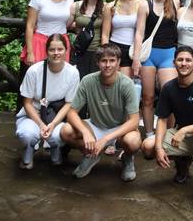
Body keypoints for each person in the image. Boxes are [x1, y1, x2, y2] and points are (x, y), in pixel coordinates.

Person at [142, 46, 193, 210]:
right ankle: (182, 162)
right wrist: (158, 148)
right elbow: (163, 119)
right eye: (180, 60)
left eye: (188, 60)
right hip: (180, 137)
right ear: (174, 63)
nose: (184, 63)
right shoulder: (169, 88)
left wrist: (185, 130)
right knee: (147, 147)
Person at [60, 44, 141, 181]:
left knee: (133, 141)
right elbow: (72, 113)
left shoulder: (126, 84)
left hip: (119, 128)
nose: (107, 65)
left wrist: (106, 139)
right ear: (97, 62)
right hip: (96, 125)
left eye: (112, 60)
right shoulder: (87, 81)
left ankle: (127, 158)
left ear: (118, 62)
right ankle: (91, 154)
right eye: (103, 61)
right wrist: (85, 133)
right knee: (65, 131)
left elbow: (134, 121)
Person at [16, 33, 79, 169]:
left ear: (66, 50)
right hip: (33, 113)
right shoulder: (34, 71)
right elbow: (26, 103)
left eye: (60, 49)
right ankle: (28, 149)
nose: (56, 53)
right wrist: (40, 124)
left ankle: (54, 147)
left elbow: (69, 103)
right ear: (46, 51)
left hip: (55, 115)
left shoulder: (72, 73)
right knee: (27, 134)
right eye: (52, 50)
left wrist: (53, 124)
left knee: (58, 135)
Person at [132, 0, 181, 139]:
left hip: (169, 54)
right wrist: (136, 60)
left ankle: (169, 135)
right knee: (147, 97)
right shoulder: (146, 5)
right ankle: (150, 134)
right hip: (149, 56)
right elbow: (139, 33)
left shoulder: (175, 3)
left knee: (172, 96)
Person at [21, 0, 73, 66]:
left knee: (59, 77)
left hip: (61, 44)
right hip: (40, 43)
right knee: (39, 77)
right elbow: (30, 26)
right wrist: (30, 52)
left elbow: (67, 22)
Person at [101, 0, 143, 77]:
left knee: (125, 85)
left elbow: (140, 33)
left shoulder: (142, 4)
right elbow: (105, 34)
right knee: (111, 84)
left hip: (132, 49)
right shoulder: (110, 7)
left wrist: (136, 57)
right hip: (114, 48)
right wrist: (105, 55)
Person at [70, 0, 106, 79]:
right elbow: (66, 25)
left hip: (96, 52)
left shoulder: (105, 8)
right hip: (79, 51)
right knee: (77, 81)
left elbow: (108, 31)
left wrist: (104, 54)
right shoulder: (75, 6)